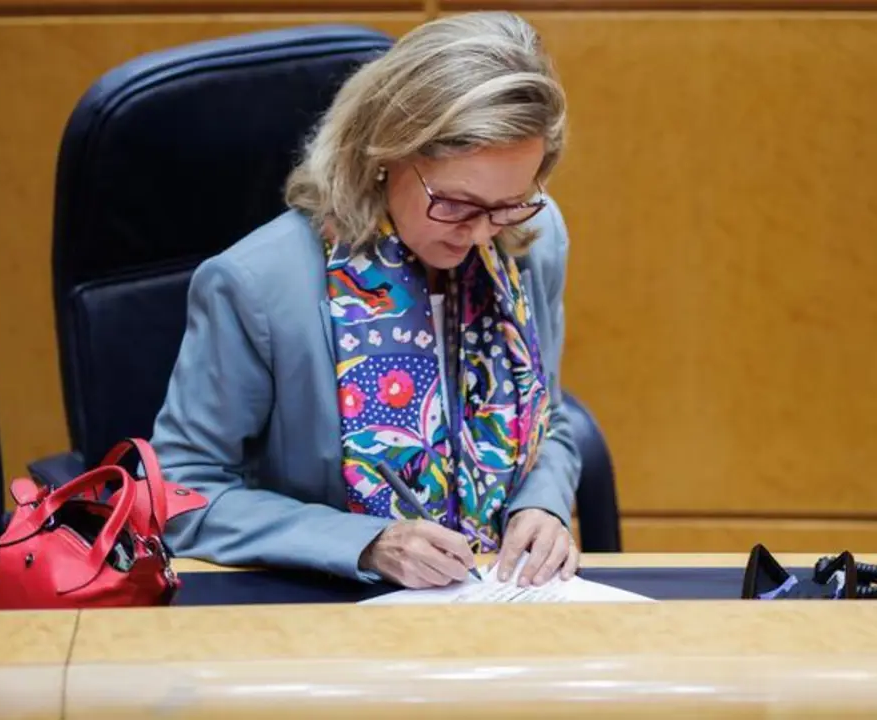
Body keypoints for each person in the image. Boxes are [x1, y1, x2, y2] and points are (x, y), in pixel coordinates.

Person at [150, 11, 582, 590]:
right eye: (456, 204)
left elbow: (551, 421)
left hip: (495, 599)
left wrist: (542, 504)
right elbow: (181, 490)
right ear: (385, 155)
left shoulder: (531, 240)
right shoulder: (256, 285)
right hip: (324, 610)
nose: (483, 234)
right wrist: (366, 543)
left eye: (507, 204)